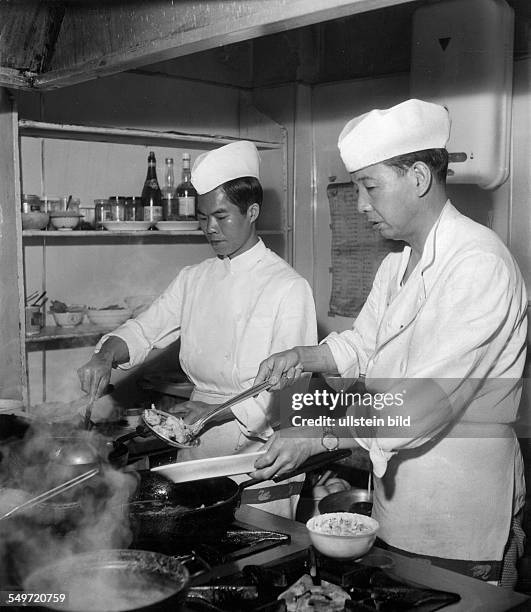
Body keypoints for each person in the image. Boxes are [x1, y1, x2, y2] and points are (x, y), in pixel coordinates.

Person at [251, 99, 527, 586]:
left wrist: (317, 433)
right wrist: (303, 356)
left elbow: (420, 404)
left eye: (369, 186)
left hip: (461, 515)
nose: (359, 204)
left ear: (419, 178)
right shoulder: (399, 262)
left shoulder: (477, 264)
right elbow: (365, 342)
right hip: (398, 504)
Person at [78, 140, 317, 518]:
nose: (209, 228)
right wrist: (105, 354)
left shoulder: (288, 286)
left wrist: (213, 411)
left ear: (252, 211)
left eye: (221, 216)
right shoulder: (194, 278)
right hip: (196, 439)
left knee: (253, 548)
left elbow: (288, 391)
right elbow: (145, 330)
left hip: (261, 452)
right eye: (203, 217)